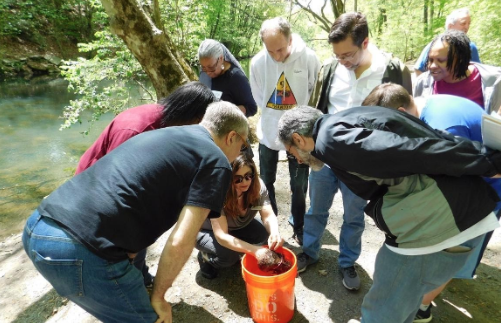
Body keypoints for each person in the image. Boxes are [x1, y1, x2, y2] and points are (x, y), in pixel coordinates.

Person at [22, 101, 249, 323]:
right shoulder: (216, 160)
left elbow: (130, 193)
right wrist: (159, 296)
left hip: (38, 226)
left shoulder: (167, 133)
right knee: (154, 318)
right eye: (243, 145)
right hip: (78, 250)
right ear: (231, 137)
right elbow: (182, 240)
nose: (241, 152)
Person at [277, 106, 500, 323]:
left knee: (384, 308)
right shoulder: (350, 116)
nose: (297, 159)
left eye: (292, 152)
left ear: (298, 138)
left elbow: (411, 151)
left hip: (436, 223)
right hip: (466, 211)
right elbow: (427, 136)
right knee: (406, 300)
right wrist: (480, 154)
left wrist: (487, 161)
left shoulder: (332, 139)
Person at [363, 85, 501, 322]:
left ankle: (419, 306)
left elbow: (450, 178)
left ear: (400, 111)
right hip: (472, 195)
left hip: (477, 202)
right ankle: (417, 303)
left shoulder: (443, 126)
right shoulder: (428, 106)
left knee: (433, 262)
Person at [299, 12, 412, 292]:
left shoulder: (392, 70)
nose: (343, 61)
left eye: (347, 54)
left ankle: (347, 261)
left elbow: (405, 118)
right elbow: (316, 110)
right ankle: (309, 251)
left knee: (354, 216)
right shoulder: (329, 69)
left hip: (363, 166)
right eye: (337, 55)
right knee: (316, 210)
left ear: (365, 43)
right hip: (325, 159)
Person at [74, 81, 217, 289]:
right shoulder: (137, 128)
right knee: (128, 240)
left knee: (139, 239)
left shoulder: (171, 124)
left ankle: (141, 277)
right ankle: (129, 288)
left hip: (124, 189)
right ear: (194, 116)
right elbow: (116, 182)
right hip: (95, 189)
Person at [249, 16, 320, 246]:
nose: (277, 56)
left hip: (299, 135)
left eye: (280, 49)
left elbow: (313, 91)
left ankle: (298, 223)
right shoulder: (258, 62)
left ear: (290, 39)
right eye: (271, 51)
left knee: (298, 184)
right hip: (268, 131)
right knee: (265, 180)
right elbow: (259, 96)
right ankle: (272, 223)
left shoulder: (308, 58)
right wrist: (274, 115)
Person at [195, 154, 284, 279]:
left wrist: (275, 232)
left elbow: (268, 215)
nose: (245, 181)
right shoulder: (218, 193)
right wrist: (255, 251)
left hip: (235, 226)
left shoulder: (257, 187)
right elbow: (221, 236)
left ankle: (235, 247)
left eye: (249, 176)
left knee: (264, 235)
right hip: (204, 230)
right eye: (238, 178)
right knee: (229, 257)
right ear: (228, 178)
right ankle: (206, 257)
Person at [414, 29, 501, 115]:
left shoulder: (494, 81)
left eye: (441, 60)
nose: (432, 66)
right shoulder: (422, 83)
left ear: (460, 59)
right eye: (430, 60)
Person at [198, 39, 257, 117]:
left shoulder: (236, 78)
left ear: (221, 58)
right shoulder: (204, 75)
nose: (208, 72)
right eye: (203, 67)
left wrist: (225, 111)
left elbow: (252, 108)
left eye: (211, 67)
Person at [414, 8, 480, 76]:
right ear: (450, 26)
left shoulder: (470, 47)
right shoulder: (435, 45)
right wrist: (428, 85)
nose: (467, 27)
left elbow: (478, 72)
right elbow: (418, 69)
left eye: (469, 23)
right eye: (463, 23)